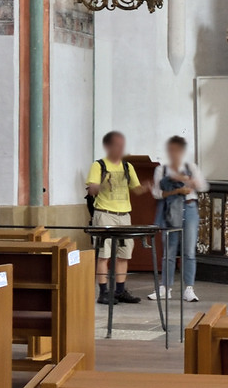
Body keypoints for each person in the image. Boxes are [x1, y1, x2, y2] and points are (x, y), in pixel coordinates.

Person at [86, 130, 141, 304]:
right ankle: (103, 292)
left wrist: (148, 187)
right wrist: (103, 185)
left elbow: (137, 188)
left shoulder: (127, 166)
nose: (120, 148)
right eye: (117, 145)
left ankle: (119, 290)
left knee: (123, 255)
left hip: (124, 216)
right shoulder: (99, 165)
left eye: (122, 145)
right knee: (104, 255)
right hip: (105, 214)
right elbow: (91, 190)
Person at [152, 135, 204, 304]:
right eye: (171, 150)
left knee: (189, 250)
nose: (174, 153)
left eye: (177, 150)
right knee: (169, 250)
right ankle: (165, 287)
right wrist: (176, 191)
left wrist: (185, 180)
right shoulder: (162, 170)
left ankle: (189, 288)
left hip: (189, 208)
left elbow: (203, 186)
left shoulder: (190, 167)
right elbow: (156, 193)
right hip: (170, 209)